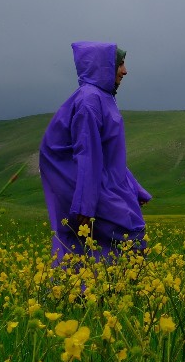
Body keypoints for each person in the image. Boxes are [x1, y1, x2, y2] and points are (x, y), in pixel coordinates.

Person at [39, 42, 151, 263]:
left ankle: (85, 293)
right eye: (119, 64)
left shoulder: (103, 98)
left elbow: (110, 153)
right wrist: (84, 207)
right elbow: (87, 154)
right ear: (104, 66)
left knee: (91, 248)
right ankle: (97, 292)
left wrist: (135, 188)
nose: (125, 71)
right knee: (132, 238)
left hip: (102, 185)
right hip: (88, 188)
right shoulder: (89, 101)